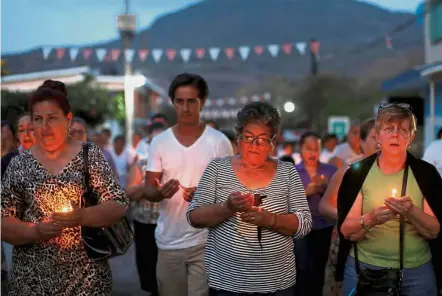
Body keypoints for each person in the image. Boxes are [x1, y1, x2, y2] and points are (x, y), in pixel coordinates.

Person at [1, 79, 129, 296]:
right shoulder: (19, 164)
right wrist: (35, 231)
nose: (45, 127)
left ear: (67, 119)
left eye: (52, 119)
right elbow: (3, 220)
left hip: (87, 281)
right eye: (38, 119)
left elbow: (118, 204)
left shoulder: (90, 155)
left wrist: (82, 216)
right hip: (31, 282)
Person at [187, 102, 312, 295]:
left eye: (262, 139)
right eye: (248, 137)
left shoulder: (287, 172)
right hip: (227, 283)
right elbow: (194, 217)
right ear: (238, 137)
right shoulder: (217, 169)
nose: (254, 145)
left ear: (272, 142)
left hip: (277, 283)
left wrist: (271, 220)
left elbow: (304, 223)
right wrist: (227, 207)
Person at [128, 73, 234, 296]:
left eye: (191, 101)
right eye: (180, 101)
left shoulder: (219, 142)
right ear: (173, 102)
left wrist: (203, 194)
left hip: (208, 241)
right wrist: (158, 193)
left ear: (202, 102)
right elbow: (148, 188)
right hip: (169, 241)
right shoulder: (160, 142)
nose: (185, 108)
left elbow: (230, 190)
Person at [338, 104, 441, 296]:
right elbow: (346, 231)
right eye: (388, 129)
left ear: (411, 137)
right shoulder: (358, 173)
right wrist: (372, 218)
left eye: (403, 130)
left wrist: (411, 212)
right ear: (377, 136)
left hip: (416, 272)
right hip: (366, 271)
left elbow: (434, 230)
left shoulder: (426, 174)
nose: (395, 135)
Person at [319, 118, 377, 296]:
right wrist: (348, 217)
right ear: (361, 142)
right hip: (348, 245)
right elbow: (324, 206)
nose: (380, 142)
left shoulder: (399, 173)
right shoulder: (349, 170)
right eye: (374, 137)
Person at [294, 131, 337, 296]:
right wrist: (306, 192)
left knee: (319, 269)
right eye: (308, 148)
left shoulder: (330, 170)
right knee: (302, 267)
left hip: (324, 226)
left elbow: (340, 198)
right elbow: (286, 201)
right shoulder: (293, 172)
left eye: (316, 149)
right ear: (301, 149)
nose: (312, 153)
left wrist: (326, 189)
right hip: (301, 226)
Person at [127, 122, 167, 296]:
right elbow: (128, 192)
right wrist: (146, 188)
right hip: (145, 224)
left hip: (169, 225)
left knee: (168, 271)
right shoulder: (141, 165)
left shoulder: (175, 166)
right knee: (148, 267)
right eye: (154, 142)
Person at [1, 113, 36, 178]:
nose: (26, 134)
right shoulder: (5, 162)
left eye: (31, 129)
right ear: (17, 136)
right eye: (21, 130)